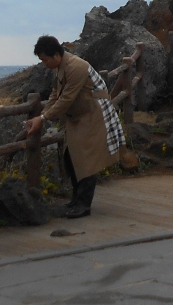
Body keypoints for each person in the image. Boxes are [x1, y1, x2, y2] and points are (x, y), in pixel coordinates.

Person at [23, 36, 124, 218]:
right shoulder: (61, 67)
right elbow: (55, 94)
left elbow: (67, 98)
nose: (44, 64)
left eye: (45, 60)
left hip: (93, 114)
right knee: (71, 157)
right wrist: (42, 115)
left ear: (55, 55)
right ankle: (75, 200)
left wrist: (43, 118)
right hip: (79, 116)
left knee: (86, 160)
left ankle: (83, 204)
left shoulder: (76, 67)